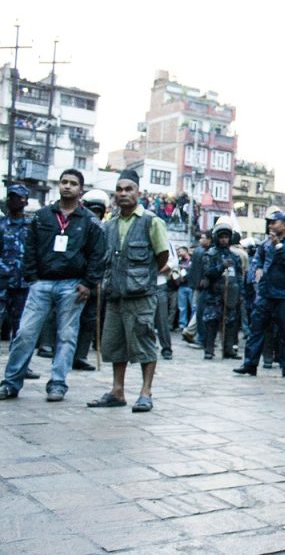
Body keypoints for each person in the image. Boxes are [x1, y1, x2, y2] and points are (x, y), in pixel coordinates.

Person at [0, 170, 105, 402]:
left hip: (73, 285)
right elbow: (30, 248)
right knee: (25, 334)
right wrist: (33, 277)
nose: (67, 186)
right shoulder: (42, 216)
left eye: (73, 183)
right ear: (59, 186)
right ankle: (10, 383)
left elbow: (98, 254)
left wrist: (88, 283)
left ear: (81, 190)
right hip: (42, 283)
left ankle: (58, 383)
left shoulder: (89, 220)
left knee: (66, 336)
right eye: (64, 182)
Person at [88, 169, 170, 412]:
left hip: (141, 296)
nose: (123, 194)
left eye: (128, 189)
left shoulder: (151, 221)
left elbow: (162, 255)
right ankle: (117, 390)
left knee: (144, 342)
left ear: (138, 193)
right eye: (119, 189)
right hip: (114, 295)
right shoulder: (109, 225)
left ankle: (145, 392)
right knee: (115, 344)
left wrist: (141, 278)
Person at [233, 209, 285, 378]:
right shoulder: (265, 243)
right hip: (266, 292)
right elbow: (258, 259)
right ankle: (250, 363)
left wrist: (278, 246)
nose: (270, 225)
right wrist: (256, 270)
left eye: (274, 222)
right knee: (256, 329)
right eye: (270, 222)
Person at [73, 189, 110, 369]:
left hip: (97, 280)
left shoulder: (106, 229)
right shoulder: (77, 226)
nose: (95, 215)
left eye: (98, 212)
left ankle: (80, 355)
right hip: (77, 278)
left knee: (90, 319)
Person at [202, 218, 243, 360]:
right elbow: (208, 272)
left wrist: (240, 293)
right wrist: (221, 267)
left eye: (226, 237)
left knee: (230, 323)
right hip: (214, 293)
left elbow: (239, 276)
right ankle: (209, 349)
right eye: (221, 237)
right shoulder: (211, 254)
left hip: (230, 293)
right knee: (212, 322)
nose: (224, 240)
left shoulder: (234, 256)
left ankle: (228, 349)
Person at [0, 184, 32, 350]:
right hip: (2, 282)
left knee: (21, 327)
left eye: (18, 197)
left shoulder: (32, 225)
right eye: (11, 197)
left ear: (26, 201)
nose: (14, 201)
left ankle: (18, 366)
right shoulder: (1, 224)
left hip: (23, 283)